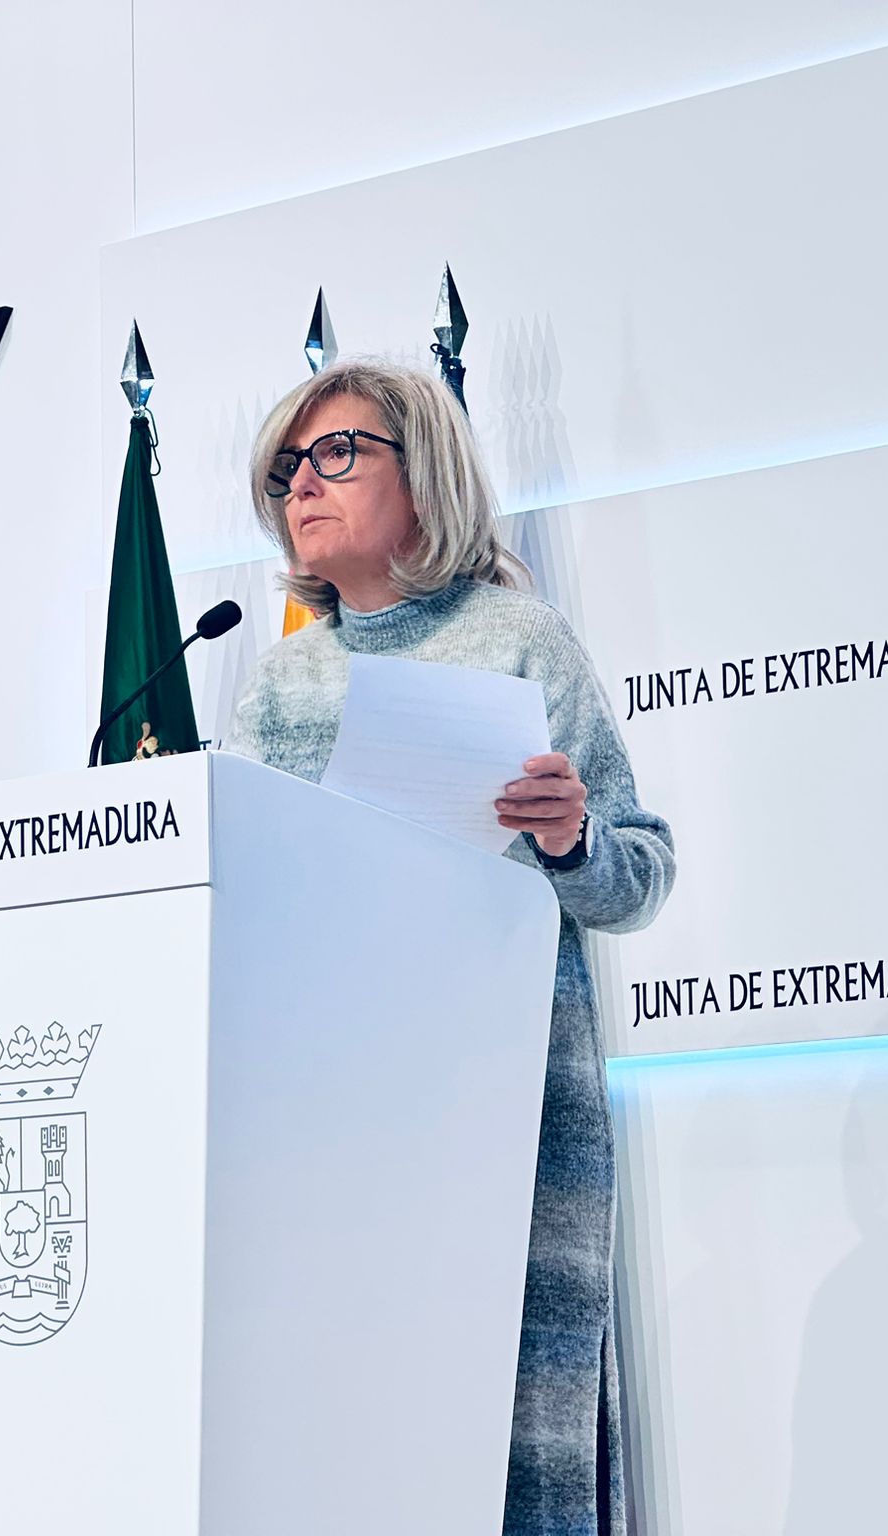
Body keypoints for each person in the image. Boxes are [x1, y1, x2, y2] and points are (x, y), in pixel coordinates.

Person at [227, 357, 675, 1534]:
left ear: (421, 477)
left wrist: (575, 837)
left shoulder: (518, 640)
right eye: (287, 467)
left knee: (517, 1430)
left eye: (337, 454)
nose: (303, 485)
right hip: (340, 1117)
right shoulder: (281, 684)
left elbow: (640, 875)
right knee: (357, 1427)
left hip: (514, 1101)